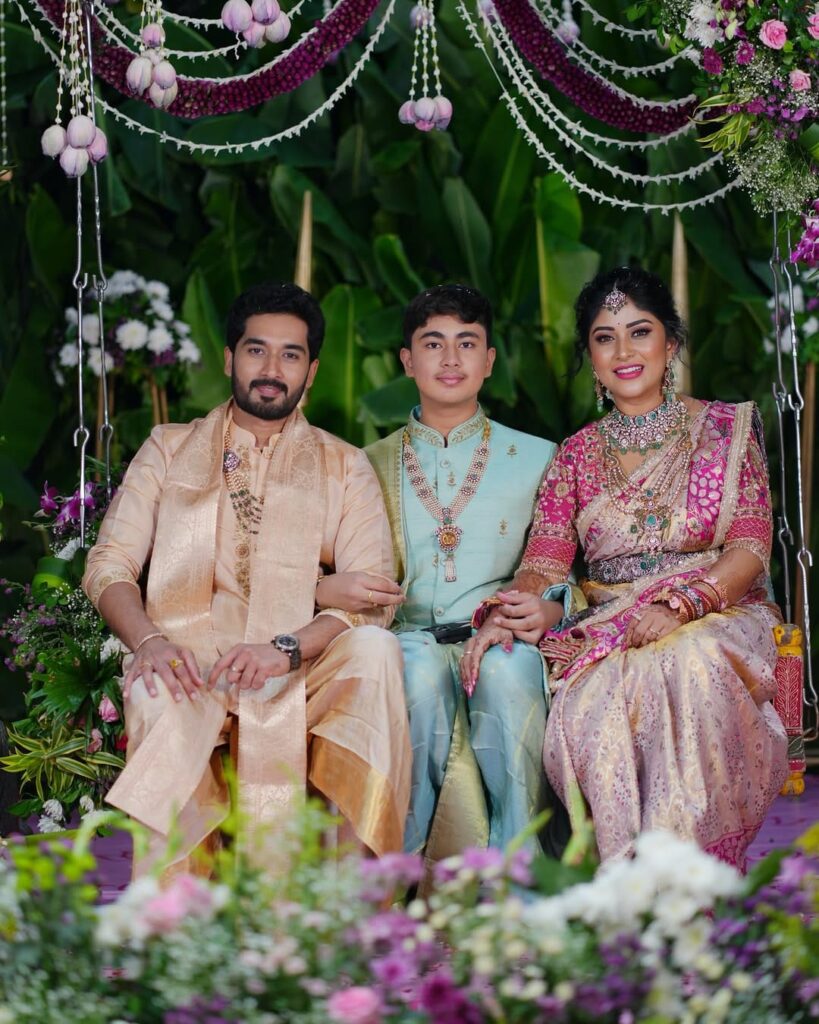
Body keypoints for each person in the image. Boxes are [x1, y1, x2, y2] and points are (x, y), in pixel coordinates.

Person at [463, 267, 788, 870]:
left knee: (689, 664)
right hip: (612, 629)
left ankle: (688, 882)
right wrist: (503, 614)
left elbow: (748, 545)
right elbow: (544, 560)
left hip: (718, 611)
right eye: (605, 337)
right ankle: (628, 884)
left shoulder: (726, 431)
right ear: (590, 356)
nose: (625, 351)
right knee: (598, 702)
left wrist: (681, 606)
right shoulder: (577, 456)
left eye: (641, 331)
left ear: (671, 343)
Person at [83, 282, 412, 874]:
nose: (271, 369)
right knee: (154, 689)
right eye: (256, 350)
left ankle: (349, 897)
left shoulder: (344, 464)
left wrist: (286, 649)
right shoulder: (168, 449)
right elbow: (109, 565)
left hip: (299, 667)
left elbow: (372, 596)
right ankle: (182, 912)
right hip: (189, 663)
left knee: (375, 650)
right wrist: (151, 643)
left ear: (311, 371)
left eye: (290, 355)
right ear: (229, 358)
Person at [315, 285, 573, 859]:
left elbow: (568, 570)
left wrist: (549, 609)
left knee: (507, 675)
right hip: (404, 639)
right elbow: (319, 567)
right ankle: (399, 876)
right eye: (433, 343)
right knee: (414, 674)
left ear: (489, 360)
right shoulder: (364, 465)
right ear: (407, 359)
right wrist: (323, 586)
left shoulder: (541, 457)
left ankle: (520, 874)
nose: (451, 359)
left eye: (467, 343)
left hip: (503, 637)